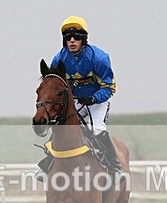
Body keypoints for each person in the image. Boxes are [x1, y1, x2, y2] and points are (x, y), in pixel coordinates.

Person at [38, 15, 124, 180]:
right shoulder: (59, 59)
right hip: (76, 100)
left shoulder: (99, 58)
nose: (72, 40)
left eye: (76, 37)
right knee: (60, 125)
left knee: (96, 129)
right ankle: (47, 163)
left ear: (84, 39)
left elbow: (109, 87)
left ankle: (115, 166)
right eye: (68, 38)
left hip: (97, 100)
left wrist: (93, 99)